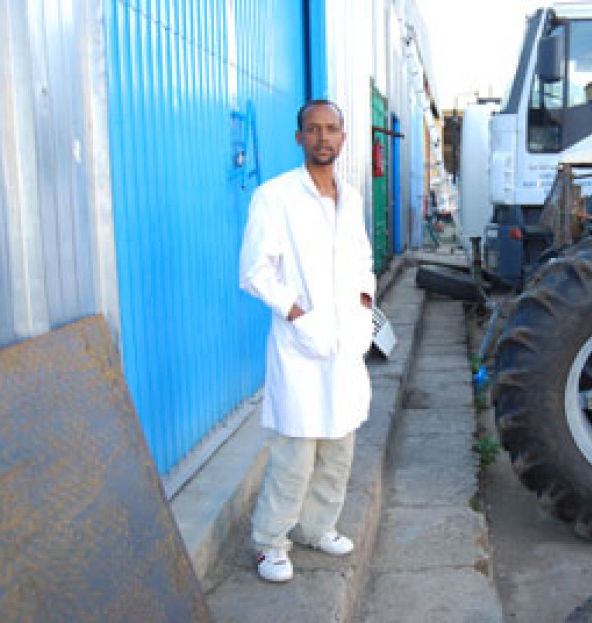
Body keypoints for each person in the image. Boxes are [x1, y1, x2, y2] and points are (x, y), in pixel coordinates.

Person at [238, 99, 375, 583]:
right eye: (313, 129)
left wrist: (363, 308)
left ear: (343, 136)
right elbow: (254, 272)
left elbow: (362, 260)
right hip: (301, 344)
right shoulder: (275, 197)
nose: (322, 138)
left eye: (331, 129)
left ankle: (316, 527)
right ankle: (269, 541)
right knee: (294, 454)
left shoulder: (352, 198)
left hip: (345, 345)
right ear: (299, 137)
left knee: (339, 448)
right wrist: (301, 316)